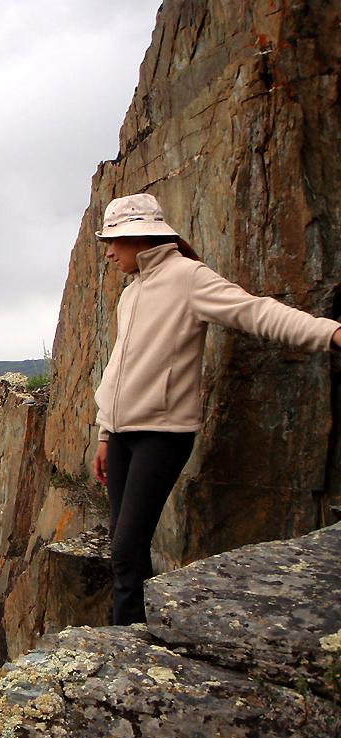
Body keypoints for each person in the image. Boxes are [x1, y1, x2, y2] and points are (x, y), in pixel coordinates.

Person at [90, 192, 341, 627]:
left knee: (126, 549)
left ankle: (125, 645)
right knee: (122, 546)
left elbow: (255, 312)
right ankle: (132, 636)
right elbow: (119, 368)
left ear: (140, 237)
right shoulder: (130, 296)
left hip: (162, 435)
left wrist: (332, 332)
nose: (109, 252)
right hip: (123, 436)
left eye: (114, 241)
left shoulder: (189, 278)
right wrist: (104, 434)